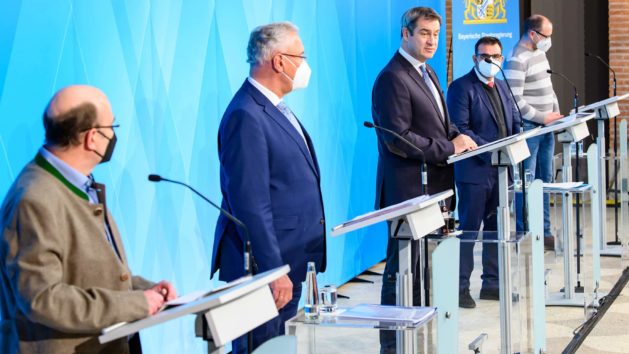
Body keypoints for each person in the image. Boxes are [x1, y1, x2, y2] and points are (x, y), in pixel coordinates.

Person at [0, 85, 177, 353]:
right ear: (92, 138)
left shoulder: (80, 184)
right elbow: (43, 298)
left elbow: (89, 273)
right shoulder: (33, 200)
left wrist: (146, 291)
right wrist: (137, 304)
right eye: (112, 126)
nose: (115, 136)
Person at [210, 22, 326, 353]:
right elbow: (250, 203)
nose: (304, 65)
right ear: (278, 61)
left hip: (288, 259)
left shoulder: (274, 107)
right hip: (261, 269)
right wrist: (274, 269)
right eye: (300, 56)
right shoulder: (246, 115)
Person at [371, 6, 476, 353]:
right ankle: (392, 345)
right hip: (408, 190)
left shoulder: (427, 72)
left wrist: (461, 137)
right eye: (424, 34)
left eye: (435, 34)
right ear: (405, 34)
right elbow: (396, 138)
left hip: (435, 189)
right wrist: (448, 146)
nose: (431, 41)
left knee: (422, 274)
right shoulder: (393, 77)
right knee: (400, 272)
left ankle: (416, 338)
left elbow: (440, 125)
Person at [447, 36, 521, 308]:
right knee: (468, 232)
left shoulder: (503, 86)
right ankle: (459, 288)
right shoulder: (460, 88)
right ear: (475, 58)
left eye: (495, 57)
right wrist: (495, 149)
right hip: (475, 172)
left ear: (501, 59)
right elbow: (459, 128)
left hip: (502, 171)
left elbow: (513, 120)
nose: (490, 61)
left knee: (496, 229)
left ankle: (492, 284)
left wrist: (515, 143)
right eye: (485, 56)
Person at [504, 14, 563, 250]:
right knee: (526, 183)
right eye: (546, 36)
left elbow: (548, 88)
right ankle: (525, 233)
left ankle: (544, 232)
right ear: (532, 34)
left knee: (544, 181)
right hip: (529, 128)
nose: (549, 40)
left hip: (548, 126)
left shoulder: (540, 53)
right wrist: (541, 117)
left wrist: (556, 114)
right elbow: (514, 100)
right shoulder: (517, 58)